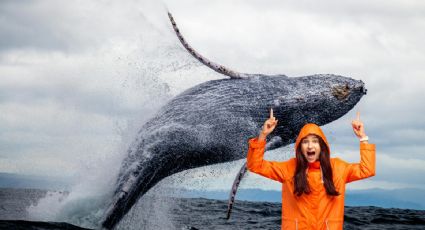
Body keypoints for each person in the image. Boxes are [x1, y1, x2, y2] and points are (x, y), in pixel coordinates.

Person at [247, 108, 375, 230]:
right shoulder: (288, 168)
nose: (309, 146)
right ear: (299, 147)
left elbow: (367, 169)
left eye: (315, 141)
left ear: (322, 145)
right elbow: (255, 165)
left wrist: (363, 138)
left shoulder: (338, 168)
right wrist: (263, 135)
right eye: (305, 142)